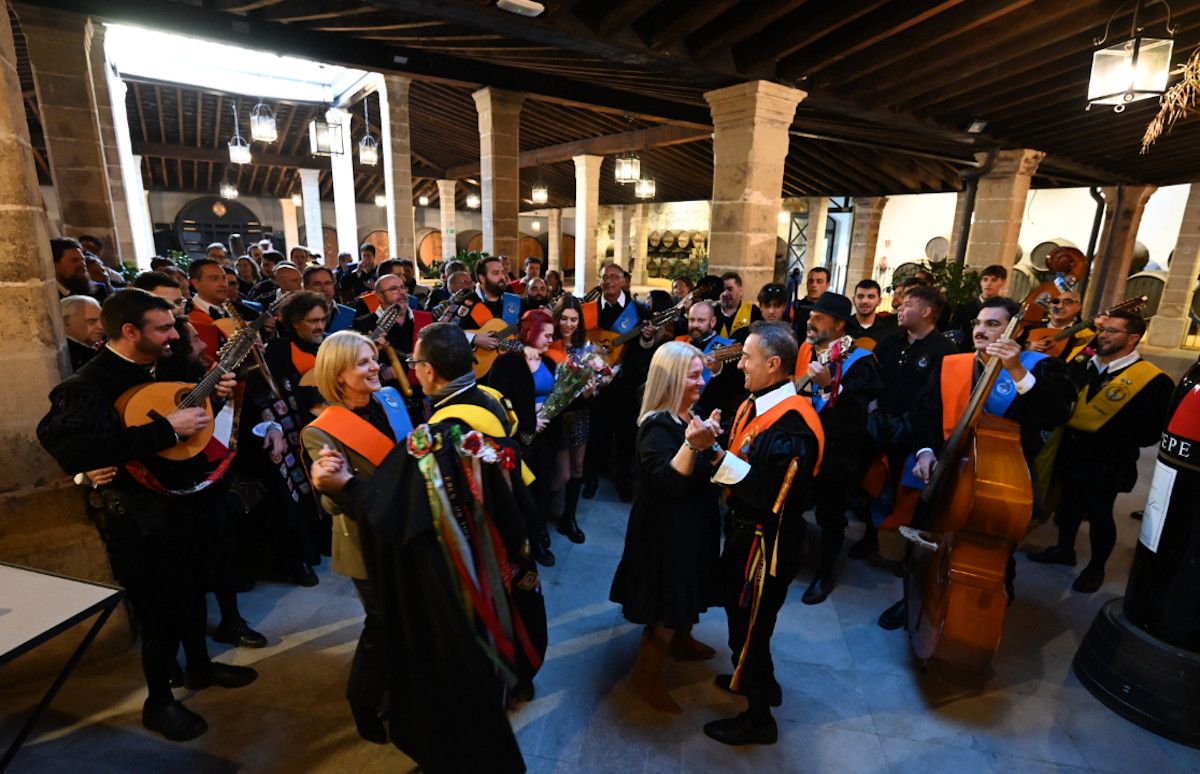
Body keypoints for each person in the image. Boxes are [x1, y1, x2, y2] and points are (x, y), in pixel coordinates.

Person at [37, 289, 257, 742]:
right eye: (163, 327)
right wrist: (163, 430)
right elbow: (75, 448)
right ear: (130, 331)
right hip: (142, 516)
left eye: (173, 325)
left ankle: (199, 666)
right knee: (160, 612)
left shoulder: (172, 364)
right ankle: (160, 702)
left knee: (197, 589)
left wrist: (215, 393)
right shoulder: (88, 385)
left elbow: (197, 417)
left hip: (193, 499)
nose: (175, 334)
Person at [876, 297, 1074, 628]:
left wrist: (1016, 371)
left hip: (1004, 478)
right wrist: (925, 452)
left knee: (994, 551)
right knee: (926, 541)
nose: (981, 330)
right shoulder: (955, 364)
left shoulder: (1040, 367)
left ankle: (984, 611)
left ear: (1017, 329)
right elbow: (924, 414)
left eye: (992, 324)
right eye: (978, 324)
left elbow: (1056, 414)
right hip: (948, 470)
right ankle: (912, 600)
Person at [689, 321, 823, 745]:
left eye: (747, 357)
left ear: (774, 364)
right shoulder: (759, 401)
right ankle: (760, 680)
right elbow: (745, 448)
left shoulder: (792, 427)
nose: (740, 363)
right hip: (748, 531)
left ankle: (759, 718)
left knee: (748, 627)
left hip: (767, 545)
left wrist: (709, 451)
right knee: (750, 624)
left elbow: (767, 494)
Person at [303, 330, 413, 745]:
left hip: (405, 526)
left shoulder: (390, 398)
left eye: (374, 358)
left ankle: (398, 687)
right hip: (367, 542)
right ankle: (362, 699)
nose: (375, 368)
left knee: (404, 619)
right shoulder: (322, 431)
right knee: (382, 625)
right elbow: (333, 504)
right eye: (363, 363)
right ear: (338, 374)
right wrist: (329, 485)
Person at [609, 341, 724, 714]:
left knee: (687, 587)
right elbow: (666, 483)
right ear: (672, 378)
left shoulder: (686, 413)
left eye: (700, 373)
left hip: (690, 524)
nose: (702, 381)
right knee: (666, 601)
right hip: (665, 534)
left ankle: (683, 637)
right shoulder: (657, 425)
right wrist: (694, 447)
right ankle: (647, 674)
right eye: (693, 375)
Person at [1027, 310, 1175, 592]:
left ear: (1133, 338)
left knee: (1100, 514)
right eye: (1103, 329)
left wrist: (1113, 432)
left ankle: (1096, 569)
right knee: (1067, 507)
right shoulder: (1083, 365)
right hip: (1070, 451)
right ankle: (1064, 549)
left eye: (1112, 331)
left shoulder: (1154, 381)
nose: (1103, 335)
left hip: (1108, 461)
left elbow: (1151, 431)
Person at [854, 285, 957, 560]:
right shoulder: (890, 341)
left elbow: (937, 398)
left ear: (925, 311)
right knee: (871, 481)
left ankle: (906, 552)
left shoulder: (944, 350)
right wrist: (874, 410)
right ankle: (869, 537)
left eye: (907, 304)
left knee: (909, 492)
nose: (899, 307)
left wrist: (911, 425)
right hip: (880, 426)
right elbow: (873, 379)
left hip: (916, 432)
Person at [794, 293, 882, 605]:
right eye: (811, 316)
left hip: (838, 452)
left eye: (818, 318)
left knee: (831, 516)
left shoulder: (860, 361)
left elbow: (859, 413)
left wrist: (833, 384)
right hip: (806, 445)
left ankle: (824, 574)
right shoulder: (807, 350)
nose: (810, 322)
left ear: (840, 326)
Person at [259, 290, 330, 586]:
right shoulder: (277, 351)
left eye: (323, 319)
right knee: (297, 494)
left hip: (326, 428)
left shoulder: (328, 345)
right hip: (291, 430)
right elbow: (270, 394)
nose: (320, 326)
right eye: (312, 321)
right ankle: (300, 557)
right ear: (294, 323)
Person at [487, 309, 558, 567]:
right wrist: (529, 422)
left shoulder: (548, 362)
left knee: (542, 487)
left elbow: (555, 395)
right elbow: (498, 403)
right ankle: (520, 541)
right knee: (520, 492)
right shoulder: (507, 363)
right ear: (531, 332)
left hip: (544, 437)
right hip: (517, 440)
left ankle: (537, 537)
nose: (551, 340)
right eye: (547, 335)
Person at [581, 262, 648, 501]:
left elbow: (643, 348)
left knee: (624, 436)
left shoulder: (637, 311)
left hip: (625, 384)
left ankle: (622, 481)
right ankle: (590, 480)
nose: (608, 281)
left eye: (614, 277)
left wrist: (647, 339)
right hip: (595, 384)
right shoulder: (586, 309)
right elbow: (579, 342)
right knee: (595, 434)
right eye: (604, 277)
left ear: (623, 280)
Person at [547, 296, 589, 544]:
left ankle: (569, 518)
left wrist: (593, 385)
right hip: (556, 416)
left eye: (574, 319)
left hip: (581, 413)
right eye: (564, 318)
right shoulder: (548, 343)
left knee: (578, 467)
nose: (568, 324)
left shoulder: (585, 345)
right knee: (561, 474)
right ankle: (541, 514)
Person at [458, 255, 521, 353]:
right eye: (496, 273)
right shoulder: (466, 303)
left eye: (502, 272)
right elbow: (445, 332)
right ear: (482, 278)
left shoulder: (514, 301)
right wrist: (474, 338)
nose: (502, 277)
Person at [948, 264, 1008, 350]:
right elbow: (953, 332)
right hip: (965, 354)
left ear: (1003, 283)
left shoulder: (1006, 309)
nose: (988, 283)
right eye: (985, 279)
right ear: (980, 282)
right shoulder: (964, 307)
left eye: (994, 280)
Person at [1025, 289, 1093, 358]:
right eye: (1055, 301)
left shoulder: (1086, 333)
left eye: (1067, 302)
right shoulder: (1031, 329)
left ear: (1078, 307)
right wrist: (1027, 347)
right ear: (1049, 305)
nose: (1060, 306)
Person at [845, 279, 898, 349]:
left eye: (871, 297)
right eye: (860, 296)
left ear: (879, 301)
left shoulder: (890, 330)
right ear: (854, 300)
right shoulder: (844, 327)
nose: (865, 301)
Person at [304, 265, 356, 333]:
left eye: (328, 283)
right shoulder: (298, 315)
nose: (324, 289)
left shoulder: (351, 314)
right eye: (318, 284)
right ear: (306, 288)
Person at [61, 294, 104, 372]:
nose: (101, 327)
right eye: (92, 321)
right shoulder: (68, 358)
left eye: (102, 320)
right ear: (66, 323)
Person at [714, 271, 762, 340]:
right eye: (722, 290)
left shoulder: (753, 311)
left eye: (730, 289)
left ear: (740, 291)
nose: (725, 293)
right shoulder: (712, 312)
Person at [791, 266, 831, 335]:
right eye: (810, 281)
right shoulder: (796, 307)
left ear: (827, 285)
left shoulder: (830, 311)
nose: (813, 285)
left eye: (819, 282)